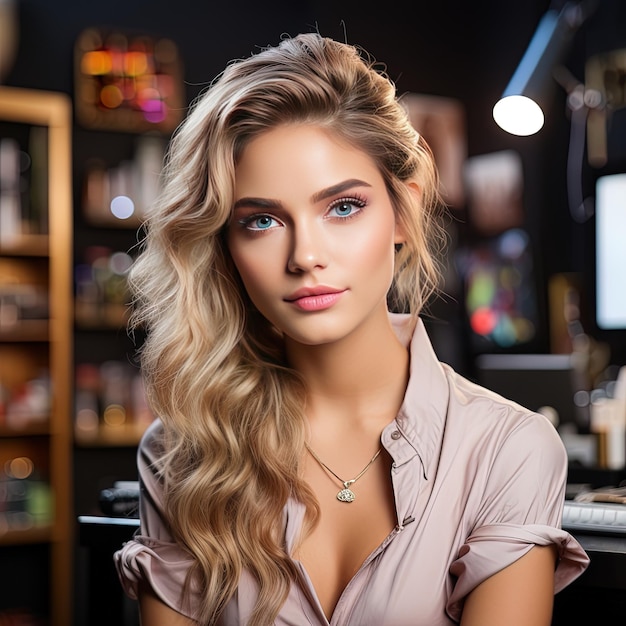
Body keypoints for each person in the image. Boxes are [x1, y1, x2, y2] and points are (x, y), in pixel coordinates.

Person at [114, 32, 589, 626]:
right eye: (261, 220)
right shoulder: (184, 453)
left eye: (343, 206)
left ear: (403, 208)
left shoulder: (506, 452)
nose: (306, 255)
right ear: (223, 245)